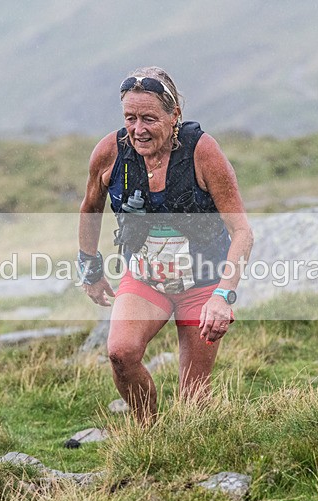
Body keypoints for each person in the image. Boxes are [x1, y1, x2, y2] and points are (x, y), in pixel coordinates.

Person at [78, 66, 253, 422]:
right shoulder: (110, 153)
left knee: (194, 403)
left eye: (149, 118)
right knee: (121, 353)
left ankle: (190, 446)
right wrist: (89, 269)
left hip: (203, 284)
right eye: (130, 118)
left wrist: (224, 296)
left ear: (175, 116)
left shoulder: (203, 153)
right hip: (145, 279)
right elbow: (90, 208)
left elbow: (242, 232)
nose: (138, 129)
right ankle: (148, 431)